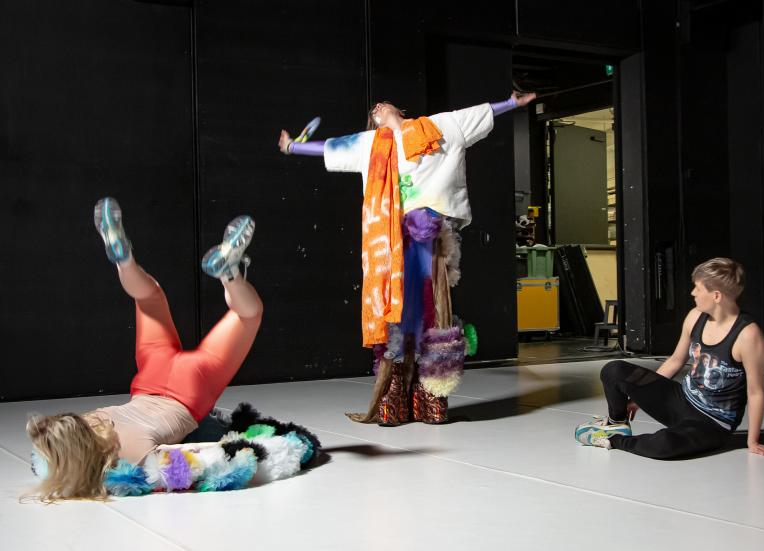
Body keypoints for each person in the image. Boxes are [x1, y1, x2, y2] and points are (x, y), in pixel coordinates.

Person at [278, 90, 536, 425]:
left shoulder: (440, 128)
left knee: (430, 314)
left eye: (382, 104)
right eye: (373, 110)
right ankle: (394, 396)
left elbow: (478, 113)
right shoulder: (370, 144)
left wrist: (512, 104)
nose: (378, 107)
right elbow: (332, 148)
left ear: (400, 108)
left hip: (427, 238)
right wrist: (293, 147)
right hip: (390, 241)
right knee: (397, 316)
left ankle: (430, 397)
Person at [26, 198, 263, 501]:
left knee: (248, 316)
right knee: (149, 298)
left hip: (189, 393)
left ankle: (230, 274)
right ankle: (125, 262)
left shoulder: (135, 454)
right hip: (151, 374)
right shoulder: (85, 421)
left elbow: (194, 458)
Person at [575, 257, 764, 459]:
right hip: (681, 400)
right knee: (614, 370)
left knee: (664, 444)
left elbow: (755, 392)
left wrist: (752, 441)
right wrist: (640, 399)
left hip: (713, 423)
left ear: (716, 296)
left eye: (698, 288)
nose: (693, 293)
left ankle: (614, 440)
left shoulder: (748, 336)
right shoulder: (695, 317)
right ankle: (616, 423)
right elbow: (675, 361)